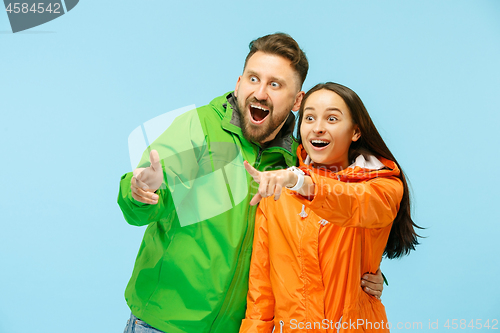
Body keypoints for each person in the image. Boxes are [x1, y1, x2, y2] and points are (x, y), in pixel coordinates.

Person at [118, 34, 384, 333]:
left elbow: (321, 235)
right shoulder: (201, 130)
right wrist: (140, 190)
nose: (260, 93)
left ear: (297, 99)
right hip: (164, 324)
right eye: (253, 79)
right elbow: (141, 209)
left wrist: (364, 273)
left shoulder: (295, 163)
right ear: (238, 83)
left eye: (275, 84)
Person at [240, 82, 421, 333]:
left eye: (332, 118)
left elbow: (356, 203)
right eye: (309, 117)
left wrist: (303, 182)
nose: (318, 128)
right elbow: (261, 288)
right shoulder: (278, 190)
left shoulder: (383, 186)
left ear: (355, 131)